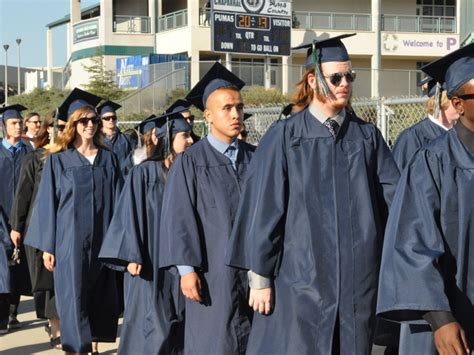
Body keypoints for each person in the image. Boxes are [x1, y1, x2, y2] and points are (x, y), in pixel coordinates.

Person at [225, 34, 400, 355]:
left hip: (357, 283)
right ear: (312, 79)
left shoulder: (367, 137)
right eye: (336, 77)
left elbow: (396, 206)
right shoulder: (285, 136)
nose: (345, 83)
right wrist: (260, 277)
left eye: (349, 76)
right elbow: (265, 210)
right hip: (300, 281)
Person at [377, 43, 474, 355]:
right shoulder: (431, 162)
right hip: (451, 319)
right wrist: (440, 317)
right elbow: (411, 245)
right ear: (457, 104)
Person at [158, 62, 255, 355]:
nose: (235, 114)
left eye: (238, 107)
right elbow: (179, 218)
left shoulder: (257, 157)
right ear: (209, 116)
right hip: (213, 272)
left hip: (256, 272)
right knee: (215, 340)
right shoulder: (190, 161)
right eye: (227, 108)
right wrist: (187, 270)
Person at [24, 88, 122, 354]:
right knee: (73, 298)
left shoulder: (109, 160)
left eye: (93, 120)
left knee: (99, 299)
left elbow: (120, 203)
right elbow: (47, 205)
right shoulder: (59, 160)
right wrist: (48, 246)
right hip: (70, 243)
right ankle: (73, 348)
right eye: (83, 121)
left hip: (104, 243)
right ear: (74, 126)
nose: (90, 125)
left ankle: (93, 347)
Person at [100, 111, 194, 355]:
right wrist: (131, 256)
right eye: (185, 136)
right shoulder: (145, 173)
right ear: (167, 138)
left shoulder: (190, 172)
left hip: (182, 263)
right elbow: (128, 213)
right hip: (149, 263)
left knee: (182, 325)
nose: (191, 141)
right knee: (150, 327)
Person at [9, 111, 67, 347]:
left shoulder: (76, 158)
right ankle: (55, 328)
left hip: (68, 229)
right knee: (48, 282)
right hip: (39, 227)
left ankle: (67, 324)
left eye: (65, 127)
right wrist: (17, 226)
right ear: (49, 130)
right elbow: (23, 194)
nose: (62, 131)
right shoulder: (36, 158)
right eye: (58, 127)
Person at [0, 104, 33, 334]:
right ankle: (3, 316)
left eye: (20, 122)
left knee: (19, 267)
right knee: (3, 269)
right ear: (4, 127)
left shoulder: (28, 152)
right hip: (0, 218)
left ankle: (13, 311)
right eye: (14, 122)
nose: (18, 125)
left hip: (23, 217)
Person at [392, 77, 459, 171]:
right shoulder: (413, 137)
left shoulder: (461, 133)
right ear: (441, 102)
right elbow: (401, 178)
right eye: (456, 101)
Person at [98, 100, 133, 173]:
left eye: (113, 117)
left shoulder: (126, 139)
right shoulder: (96, 140)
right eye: (107, 118)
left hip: (123, 180)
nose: (111, 120)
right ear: (101, 120)